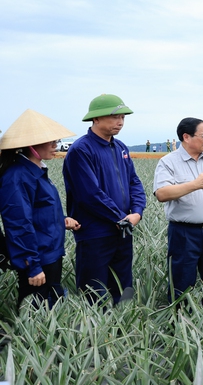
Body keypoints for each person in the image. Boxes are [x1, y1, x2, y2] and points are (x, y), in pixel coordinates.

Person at [63, 94, 146, 305]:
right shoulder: (81, 150)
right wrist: (120, 217)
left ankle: (123, 327)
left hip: (123, 231)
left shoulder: (121, 148)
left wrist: (136, 212)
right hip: (94, 233)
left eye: (123, 117)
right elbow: (89, 194)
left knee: (123, 286)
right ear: (96, 119)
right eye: (114, 117)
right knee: (94, 290)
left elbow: (134, 183)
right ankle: (93, 335)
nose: (120, 122)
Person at [0, 109, 81, 310]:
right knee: (34, 313)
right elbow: (18, 223)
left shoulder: (37, 170)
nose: (56, 145)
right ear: (32, 146)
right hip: (38, 258)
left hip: (50, 253)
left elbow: (38, 211)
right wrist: (32, 266)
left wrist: (61, 220)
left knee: (50, 309)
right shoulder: (17, 176)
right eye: (51, 141)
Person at [153, 117, 203, 301]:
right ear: (186, 137)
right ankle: (178, 324)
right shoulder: (168, 162)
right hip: (184, 233)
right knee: (181, 283)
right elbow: (162, 194)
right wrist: (196, 184)